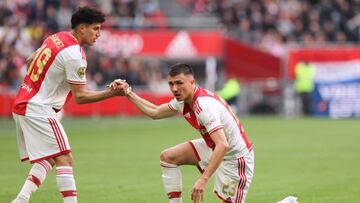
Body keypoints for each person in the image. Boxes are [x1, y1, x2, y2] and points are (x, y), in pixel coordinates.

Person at [11, 7, 128, 203]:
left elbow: (31, 58)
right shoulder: (75, 54)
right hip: (39, 109)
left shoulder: (57, 37)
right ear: (82, 28)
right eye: (96, 28)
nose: (99, 34)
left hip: (24, 102)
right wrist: (112, 93)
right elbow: (80, 97)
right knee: (65, 158)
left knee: (49, 157)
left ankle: (20, 200)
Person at [111, 63, 254, 203]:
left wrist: (203, 180)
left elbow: (223, 145)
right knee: (168, 157)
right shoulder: (183, 101)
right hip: (214, 148)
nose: (175, 89)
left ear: (192, 82)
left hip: (235, 159)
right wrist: (128, 92)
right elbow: (155, 112)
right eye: (171, 84)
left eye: (179, 83)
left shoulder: (204, 107)